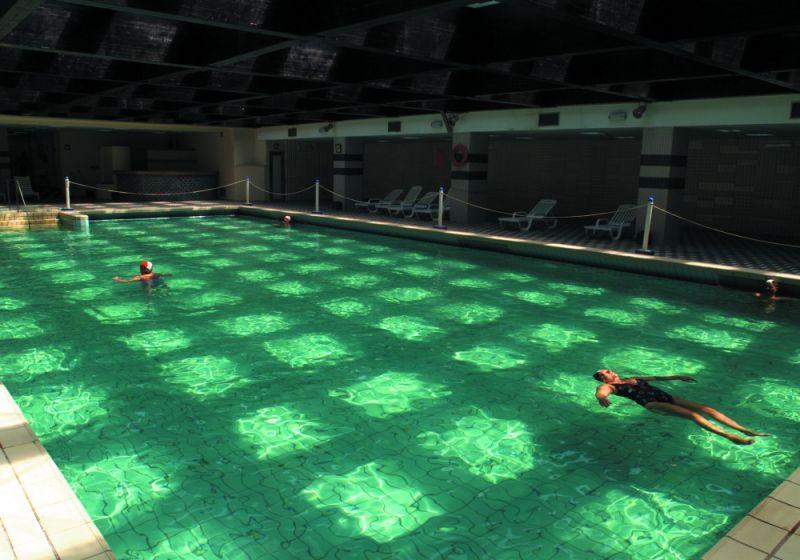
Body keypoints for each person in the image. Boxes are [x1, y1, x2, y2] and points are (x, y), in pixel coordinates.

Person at [593, 369, 767, 445]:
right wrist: (601, 398)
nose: (610, 371)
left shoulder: (633, 378)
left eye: (608, 370)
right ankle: (729, 436)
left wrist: (677, 377)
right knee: (693, 415)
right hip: (652, 403)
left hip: (666, 397)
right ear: (603, 378)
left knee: (708, 409)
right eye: (605, 372)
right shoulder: (609, 386)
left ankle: (743, 430)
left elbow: (657, 378)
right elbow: (601, 392)